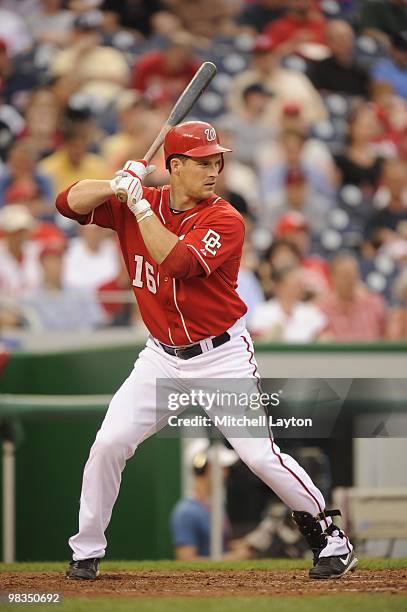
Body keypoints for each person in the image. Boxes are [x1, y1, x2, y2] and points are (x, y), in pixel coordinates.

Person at [56, 120, 357, 581]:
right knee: (108, 443)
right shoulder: (139, 203)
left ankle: (330, 536)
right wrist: (115, 185)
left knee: (259, 457)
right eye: (202, 161)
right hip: (160, 357)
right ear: (174, 166)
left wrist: (136, 205)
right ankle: (86, 550)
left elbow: (177, 262)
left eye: (217, 159)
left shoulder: (225, 218)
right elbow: (66, 203)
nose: (214, 168)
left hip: (221, 356)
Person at [170, 438, 250, 560]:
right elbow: (186, 559)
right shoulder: (186, 512)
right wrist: (234, 557)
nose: (226, 473)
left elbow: (220, 546)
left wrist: (250, 544)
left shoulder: (216, 505)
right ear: (201, 468)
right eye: (221, 467)